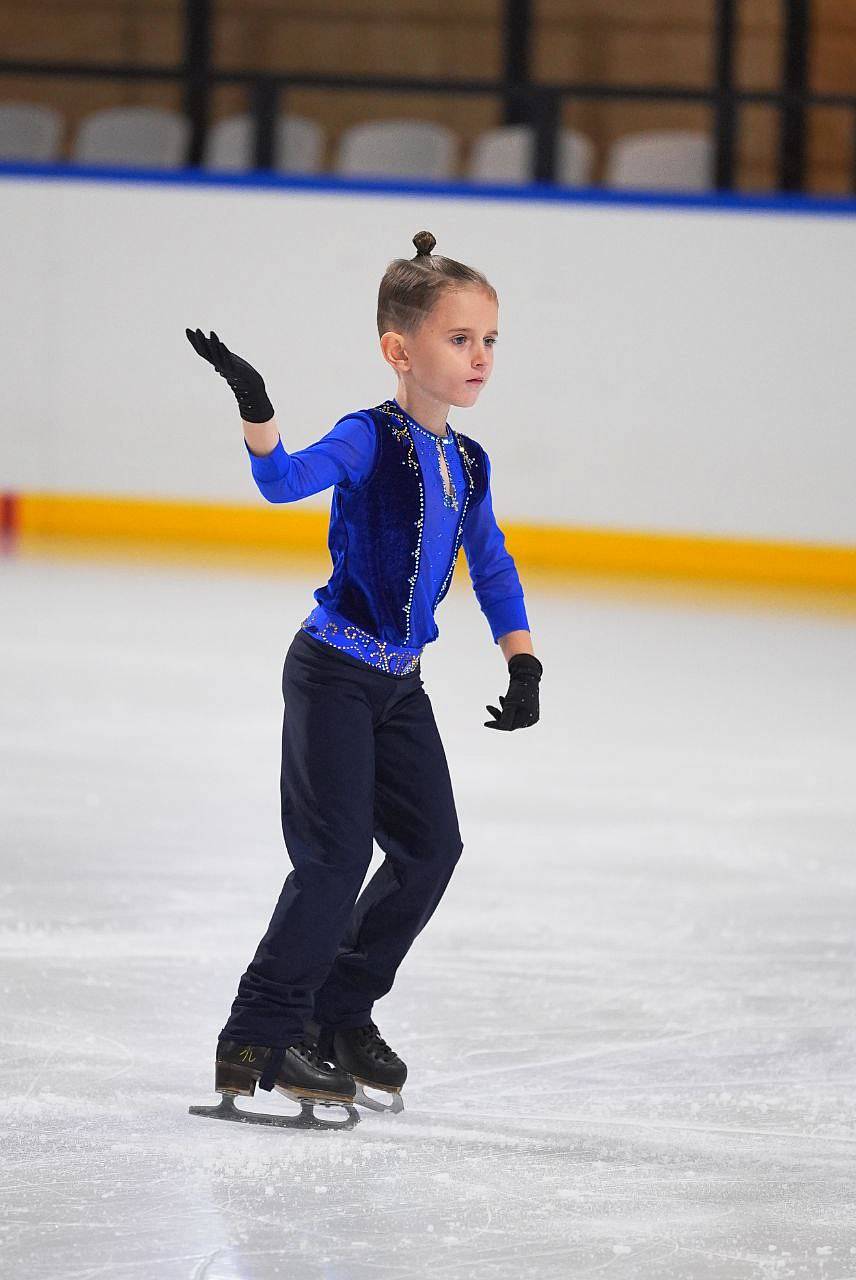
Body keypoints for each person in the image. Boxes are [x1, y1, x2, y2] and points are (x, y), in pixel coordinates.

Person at [185, 229, 543, 1120]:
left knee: (431, 850)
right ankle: (261, 1032)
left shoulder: (468, 462)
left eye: (490, 340)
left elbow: (492, 562)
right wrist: (258, 410)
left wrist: (523, 658)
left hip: (399, 686)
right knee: (334, 857)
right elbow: (283, 482)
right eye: (460, 338)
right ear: (399, 350)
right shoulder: (367, 436)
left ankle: (340, 1014)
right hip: (334, 674)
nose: (480, 357)